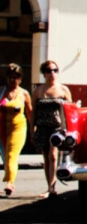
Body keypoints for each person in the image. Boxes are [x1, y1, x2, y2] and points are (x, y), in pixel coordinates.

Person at [32, 60, 72, 198]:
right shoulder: (38, 90)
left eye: (55, 70)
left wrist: (69, 129)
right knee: (46, 158)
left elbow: (70, 110)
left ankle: (52, 188)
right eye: (49, 71)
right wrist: (32, 130)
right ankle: (49, 185)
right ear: (43, 73)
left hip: (57, 127)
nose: (52, 73)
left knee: (53, 156)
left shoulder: (63, 89)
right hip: (43, 126)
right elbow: (34, 112)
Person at [2, 64, 32, 197]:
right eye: (10, 77)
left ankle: (10, 182)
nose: (13, 80)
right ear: (6, 78)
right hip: (2, 128)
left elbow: (30, 113)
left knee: (11, 155)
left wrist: (33, 130)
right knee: (5, 157)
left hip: (18, 128)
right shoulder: (1, 91)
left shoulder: (24, 93)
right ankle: (9, 177)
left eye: (16, 77)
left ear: (20, 79)